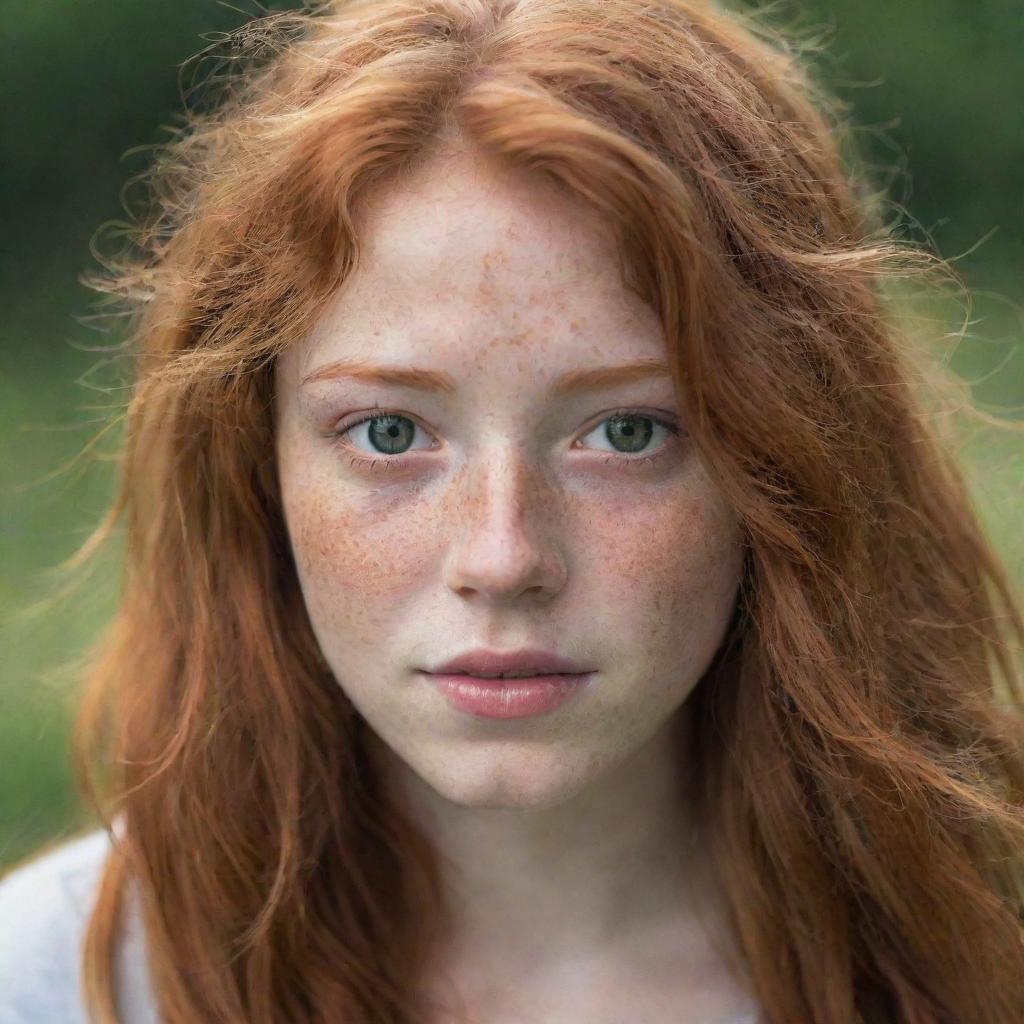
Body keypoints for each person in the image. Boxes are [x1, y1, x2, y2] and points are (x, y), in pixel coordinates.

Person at [2, 1, 1023, 1022]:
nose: (502, 556)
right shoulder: (56, 986)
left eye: (626, 431)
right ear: (252, 465)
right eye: (391, 434)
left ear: (791, 459)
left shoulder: (984, 953)